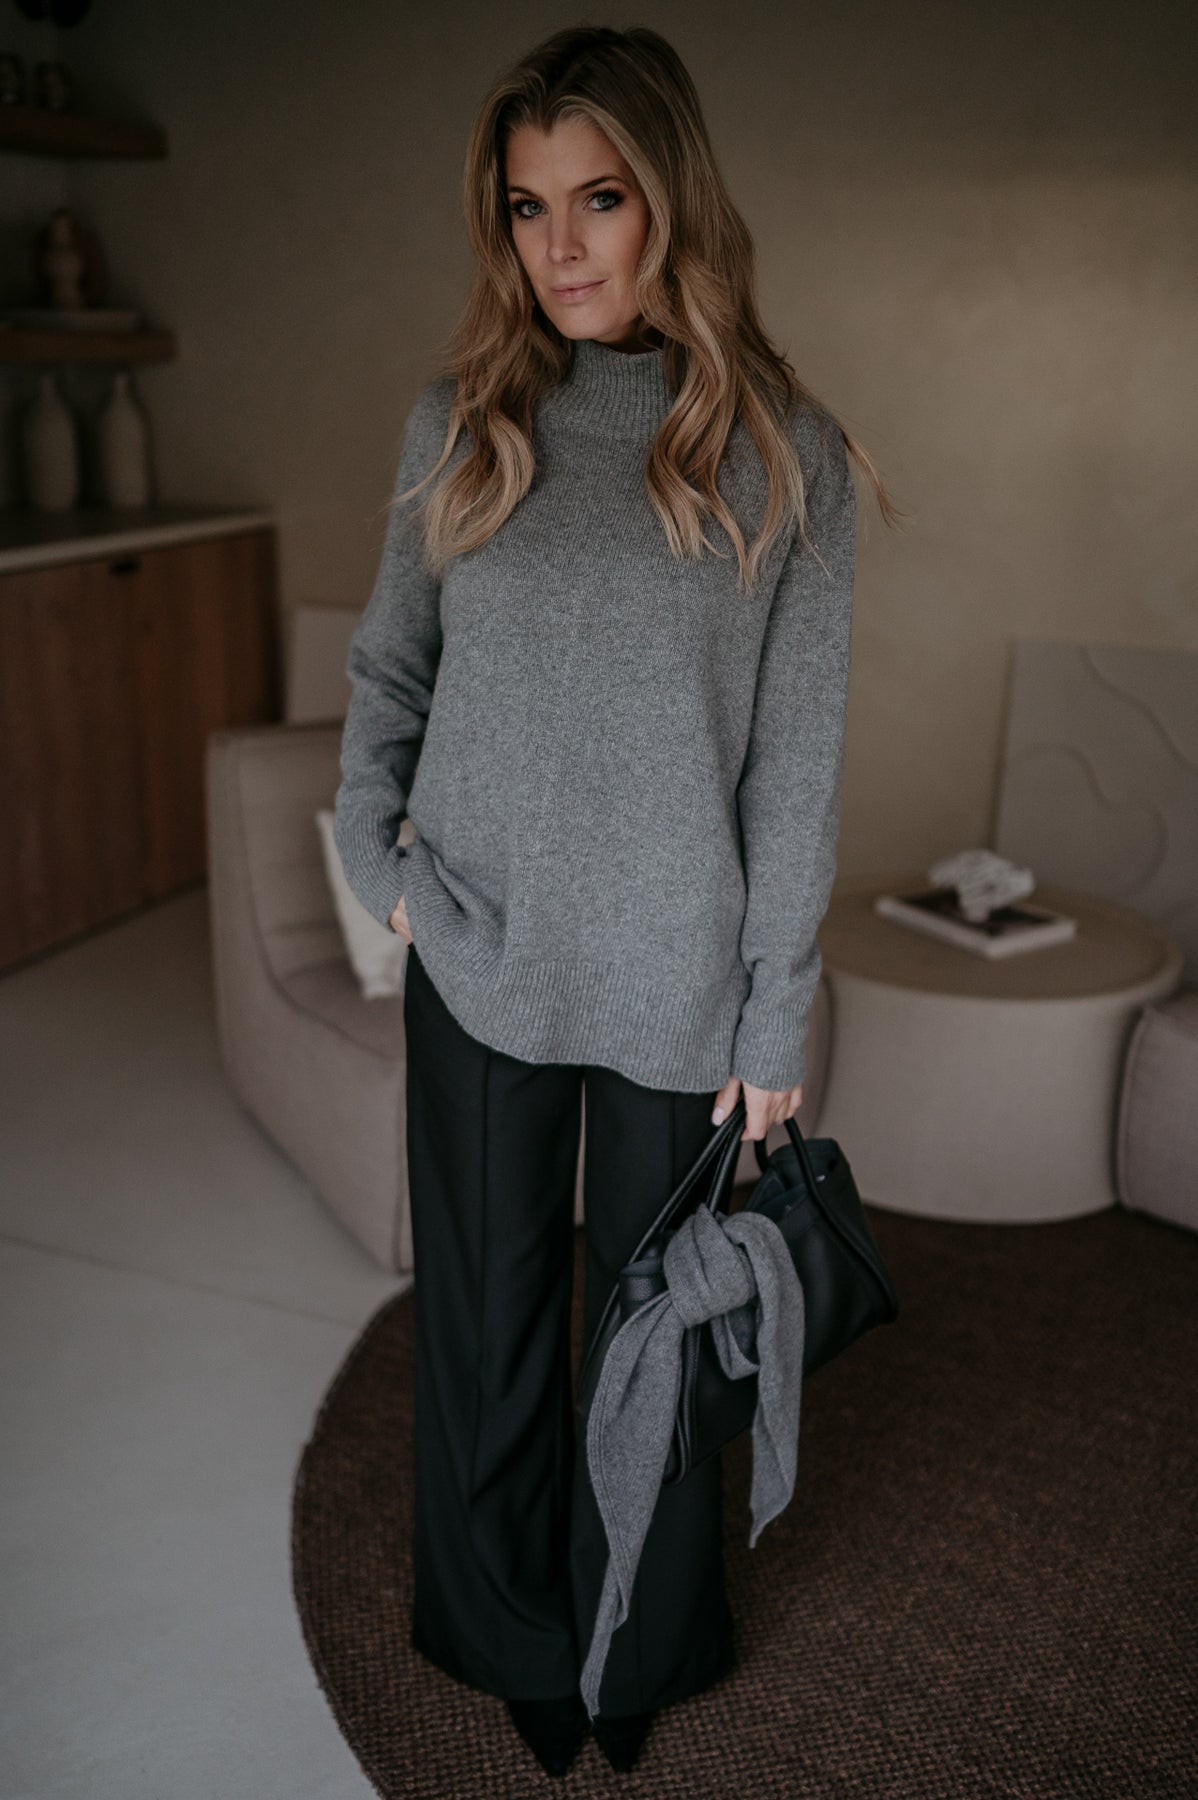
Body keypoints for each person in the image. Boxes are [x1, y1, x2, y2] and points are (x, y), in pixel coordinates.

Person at [333, 22, 897, 1781]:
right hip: (478, 951)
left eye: (599, 199)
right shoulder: (462, 424)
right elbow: (387, 675)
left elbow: (793, 769)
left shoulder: (782, 455)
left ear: (671, 201)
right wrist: (380, 873)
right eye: (527, 206)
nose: (561, 245)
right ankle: (506, 1626)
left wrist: (772, 1011)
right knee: (487, 1326)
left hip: (673, 977)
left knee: (657, 1338)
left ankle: (633, 1641)